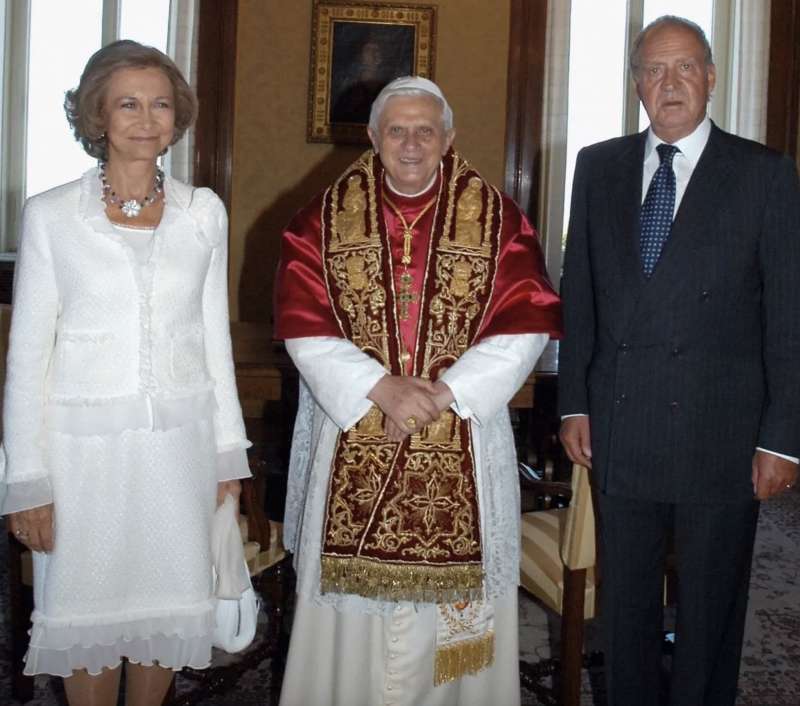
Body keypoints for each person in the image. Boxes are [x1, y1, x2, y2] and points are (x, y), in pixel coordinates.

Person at [275, 76, 561, 706]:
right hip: (354, 425)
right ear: (373, 138)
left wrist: (446, 393)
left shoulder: (498, 221)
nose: (411, 144)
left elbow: (528, 322)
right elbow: (304, 325)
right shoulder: (319, 221)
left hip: (462, 426)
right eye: (396, 130)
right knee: (349, 630)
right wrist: (378, 387)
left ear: (449, 138)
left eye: (424, 130)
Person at [0, 40, 251, 706]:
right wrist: (25, 480)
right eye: (128, 104)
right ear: (98, 118)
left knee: (165, 617)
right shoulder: (52, 216)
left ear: (178, 117)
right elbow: (27, 359)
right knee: (84, 617)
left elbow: (211, 340)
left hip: (179, 453)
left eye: (161, 103)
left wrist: (229, 455)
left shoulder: (205, 213)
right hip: (81, 462)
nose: (147, 119)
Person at [559, 15, 800, 706]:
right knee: (625, 613)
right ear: (636, 83)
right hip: (621, 427)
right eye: (654, 70)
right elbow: (582, 300)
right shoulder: (597, 166)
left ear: (712, 78)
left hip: (721, 435)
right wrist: (576, 400)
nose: (670, 83)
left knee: (709, 615)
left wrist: (782, 440)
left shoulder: (764, 174)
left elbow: (788, 318)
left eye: (685, 67)